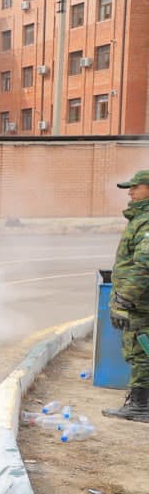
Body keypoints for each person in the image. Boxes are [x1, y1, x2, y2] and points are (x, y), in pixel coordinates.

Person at [103, 170, 149, 422]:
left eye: (135, 187)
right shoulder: (140, 219)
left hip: (141, 305)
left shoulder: (147, 222)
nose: (130, 193)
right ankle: (140, 403)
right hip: (139, 303)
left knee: (140, 352)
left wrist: (124, 300)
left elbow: (145, 266)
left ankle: (141, 407)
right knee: (140, 351)